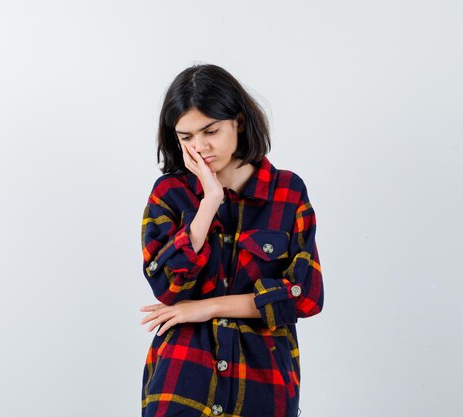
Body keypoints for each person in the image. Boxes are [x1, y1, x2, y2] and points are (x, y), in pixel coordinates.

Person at [138, 63, 324, 417]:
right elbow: (168, 288)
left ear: (238, 121)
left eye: (211, 131)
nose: (200, 147)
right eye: (186, 137)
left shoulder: (287, 192)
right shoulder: (170, 193)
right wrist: (209, 203)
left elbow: (307, 295)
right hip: (182, 378)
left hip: (263, 380)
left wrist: (208, 307)